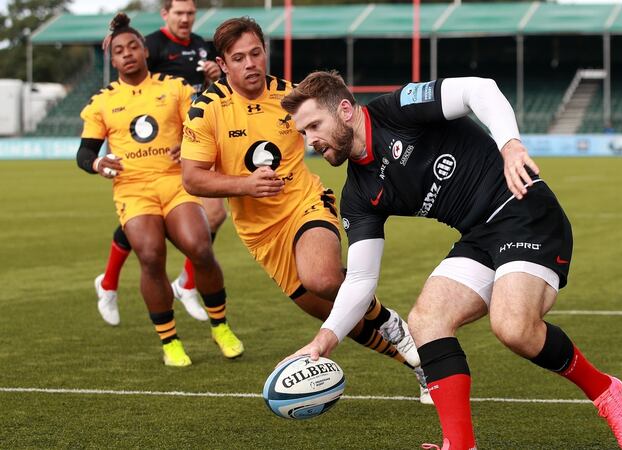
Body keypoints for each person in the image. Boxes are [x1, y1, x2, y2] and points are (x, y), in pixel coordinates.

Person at [280, 71, 622, 450]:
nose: (310, 142)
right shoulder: (359, 192)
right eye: (304, 134)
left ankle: (606, 391)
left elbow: (480, 89)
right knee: (426, 321)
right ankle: (460, 444)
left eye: (313, 126)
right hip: (478, 236)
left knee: (513, 327)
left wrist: (510, 145)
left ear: (344, 110)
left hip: (523, 210)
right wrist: (323, 341)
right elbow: (359, 279)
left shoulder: (398, 108)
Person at [179, 17, 430, 403]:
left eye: (256, 53)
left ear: (265, 52)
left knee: (324, 278)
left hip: (305, 204)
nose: (251, 64)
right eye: (239, 58)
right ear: (223, 64)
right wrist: (245, 185)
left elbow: (337, 128)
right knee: (336, 315)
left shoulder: (290, 96)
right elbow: (192, 179)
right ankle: (420, 367)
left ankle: (389, 320)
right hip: (261, 235)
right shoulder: (206, 109)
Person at [77, 13, 243, 367]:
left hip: (175, 183)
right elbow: (85, 153)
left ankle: (221, 326)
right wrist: (97, 164)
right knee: (150, 256)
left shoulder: (175, 87)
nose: (127, 54)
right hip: (133, 190)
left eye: (133, 46)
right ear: (113, 59)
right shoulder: (102, 101)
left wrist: (186, 143)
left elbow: (199, 126)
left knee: (199, 246)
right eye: (119, 50)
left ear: (145, 51)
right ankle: (170, 341)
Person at [93, 0, 225, 326]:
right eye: (178, 13)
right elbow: (136, 84)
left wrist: (214, 76)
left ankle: (186, 283)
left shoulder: (199, 46)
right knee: (146, 228)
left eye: (190, 13)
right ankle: (110, 283)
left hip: (191, 141)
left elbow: (197, 97)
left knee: (214, 216)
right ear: (165, 14)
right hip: (155, 146)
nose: (185, 19)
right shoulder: (150, 44)